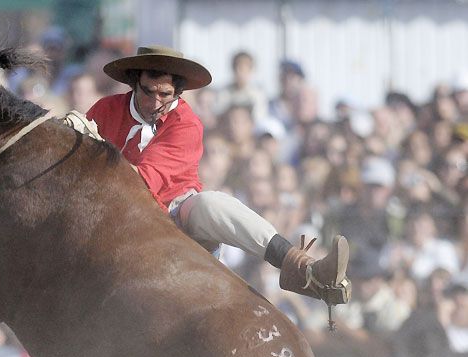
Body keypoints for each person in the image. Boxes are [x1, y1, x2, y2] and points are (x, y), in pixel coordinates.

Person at [85, 46, 351, 306]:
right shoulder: (104, 110)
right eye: (148, 91)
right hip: (110, 217)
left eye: (165, 94)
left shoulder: (186, 124)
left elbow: (139, 183)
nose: (155, 102)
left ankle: (302, 268)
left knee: (208, 204)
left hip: (171, 216)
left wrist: (93, 147)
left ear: (177, 91)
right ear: (135, 83)